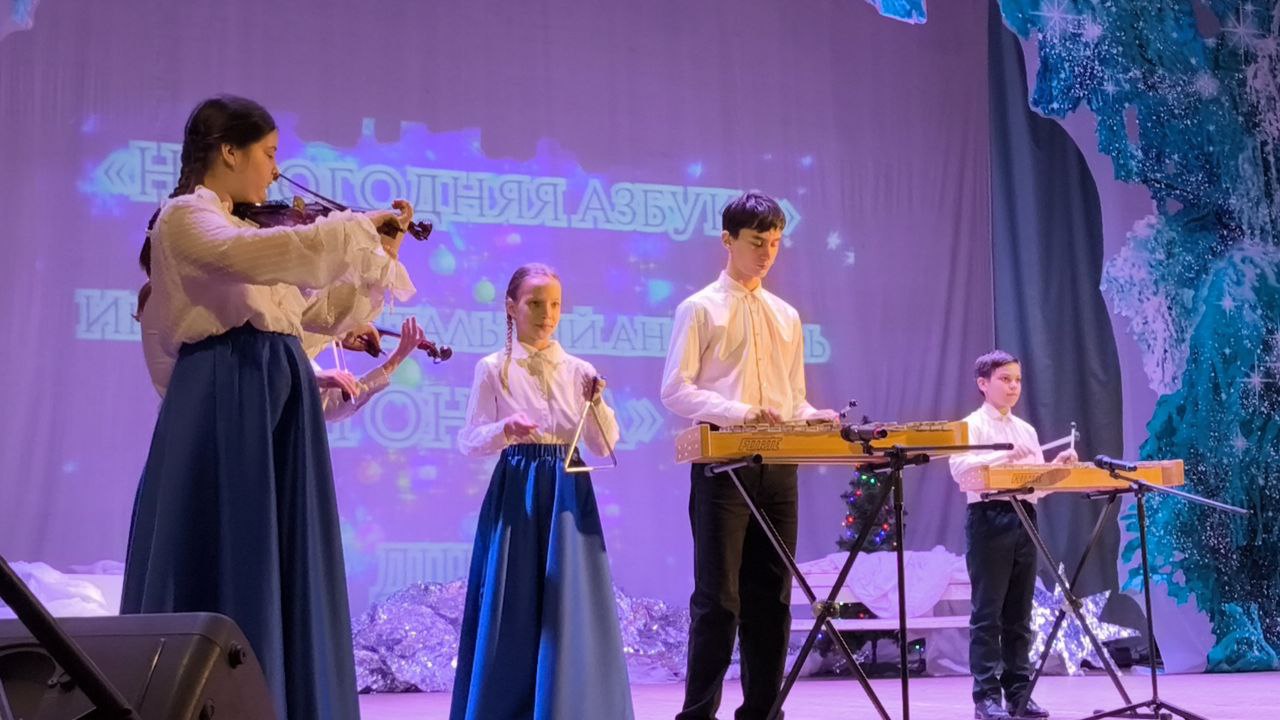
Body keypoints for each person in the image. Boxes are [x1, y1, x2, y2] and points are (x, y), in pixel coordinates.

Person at [122, 94, 414, 720]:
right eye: (269, 153)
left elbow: (317, 314)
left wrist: (378, 256)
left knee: (281, 548)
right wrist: (351, 230)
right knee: (231, 541)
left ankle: (287, 696)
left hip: (275, 386)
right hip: (226, 388)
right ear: (229, 152)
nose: (276, 170)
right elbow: (246, 257)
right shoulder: (184, 218)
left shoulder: (247, 226)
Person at [660, 191, 838, 720]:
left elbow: (792, 399)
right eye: (757, 242)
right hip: (724, 467)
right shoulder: (699, 308)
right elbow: (675, 390)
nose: (767, 253)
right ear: (728, 240)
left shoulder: (787, 316)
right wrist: (739, 412)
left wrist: (813, 417)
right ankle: (698, 713)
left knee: (774, 596)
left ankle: (763, 711)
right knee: (719, 599)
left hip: (779, 467)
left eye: (775, 243)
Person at [450, 263, 634, 720]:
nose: (546, 314)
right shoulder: (493, 368)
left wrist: (596, 403)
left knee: (570, 599)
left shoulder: (580, 370)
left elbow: (603, 444)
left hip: (568, 488)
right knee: (513, 599)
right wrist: (504, 429)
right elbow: (469, 440)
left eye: (554, 304)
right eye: (534, 303)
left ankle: (570, 704)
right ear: (511, 307)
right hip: (520, 486)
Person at [948, 350, 1076, 720]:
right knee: (988, 613)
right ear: (983, 383)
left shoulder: (1026, 430)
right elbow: (961, 471)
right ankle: (985, 696)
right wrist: (1002, 457)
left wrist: (1056, 469)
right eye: (1005, 379)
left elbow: (1036, 488)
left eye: (1017, 380)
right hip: (989, 517)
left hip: (1025, 517)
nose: (1013, 387)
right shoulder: (970, 426)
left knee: (1019, 613)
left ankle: (1019, 693)